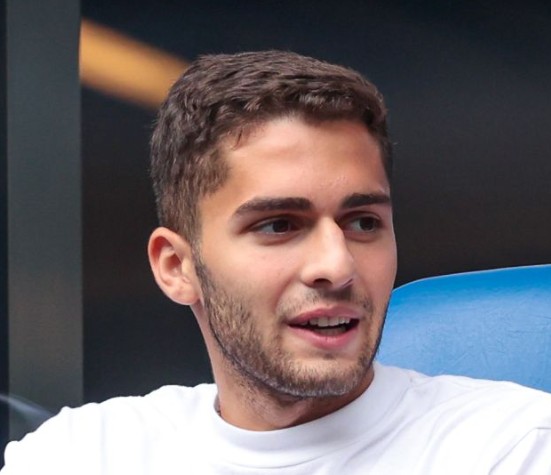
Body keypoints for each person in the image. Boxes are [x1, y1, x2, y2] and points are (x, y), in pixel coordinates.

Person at [2, 50, 551, 474]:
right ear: (176, 267)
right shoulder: (82, 454)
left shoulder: (511, 446)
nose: (337, 265)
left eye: (363, 222)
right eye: (278, 225)